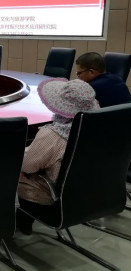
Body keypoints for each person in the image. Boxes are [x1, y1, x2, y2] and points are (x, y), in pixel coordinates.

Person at [17, 78, 99, 235]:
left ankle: (12, 223)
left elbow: (27, 166)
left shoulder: (52, 135)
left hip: (51, 198)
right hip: (89, 194)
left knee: (9, 171)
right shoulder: (97, 129)